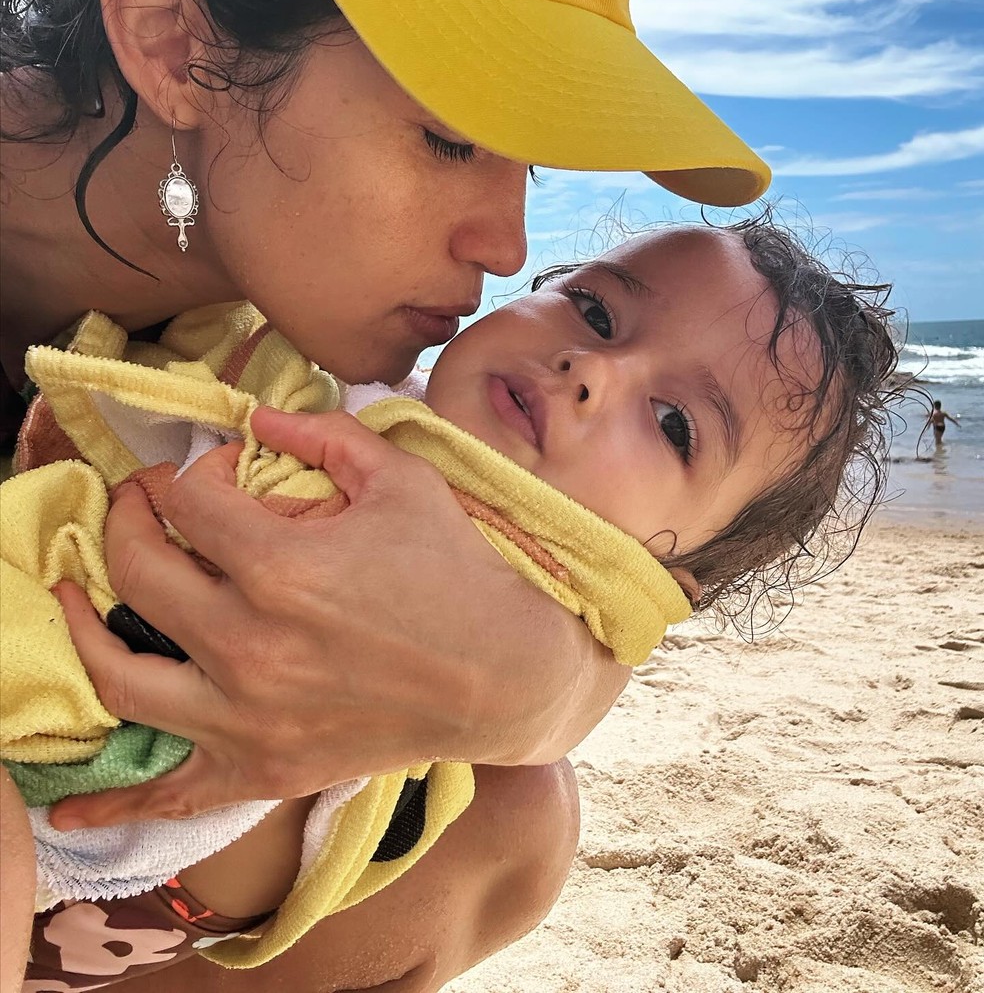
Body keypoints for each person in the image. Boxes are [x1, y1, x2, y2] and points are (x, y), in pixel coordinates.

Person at [0, 0, 775, 986]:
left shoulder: (271, 321)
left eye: (531, 165)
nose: (508, 247)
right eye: (451, 135)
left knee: (507, 825)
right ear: (172, 39)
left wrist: (535, 683)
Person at [4, 218, 899, 988]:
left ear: (664, 571)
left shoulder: (537, 586)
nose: (591, 370)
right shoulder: (357, 393)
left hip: (131, 855)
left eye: (675, 425)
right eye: (595, 311)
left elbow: (615, 634)